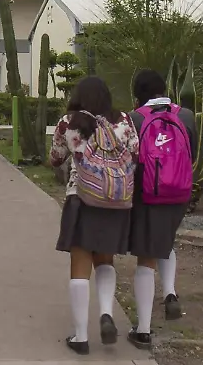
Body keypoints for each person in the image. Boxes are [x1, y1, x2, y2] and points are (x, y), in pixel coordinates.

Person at [50, 76, 139, 356]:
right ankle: (106, 314)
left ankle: (80, 337)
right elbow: (136, 153)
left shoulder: (69, 122)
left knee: (80, 262)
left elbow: (55, 157)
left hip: (82, 196)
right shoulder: (124, 120)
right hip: (115, 198)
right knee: (105, 258)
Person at [126, 69, 198, 350]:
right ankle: (169, 292)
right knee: (165, 239)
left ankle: (143, 330)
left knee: (146, 255)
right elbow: (191, 150)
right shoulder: (187, 115)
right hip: (179, 191)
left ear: (137, 94)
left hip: (148, 193)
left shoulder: (134, 119)